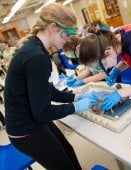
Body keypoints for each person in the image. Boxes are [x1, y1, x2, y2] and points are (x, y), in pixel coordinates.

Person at [4, 3, 99, 170]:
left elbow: (47, 91)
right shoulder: (36, 57)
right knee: (63, 166)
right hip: (25, 129)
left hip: (31, 118)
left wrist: (75, 96)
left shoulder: (36, 48)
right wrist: (75, 107)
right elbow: (42, 113)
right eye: (68, 33)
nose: (69, 39)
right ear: (53, 27)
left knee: (68, 151)